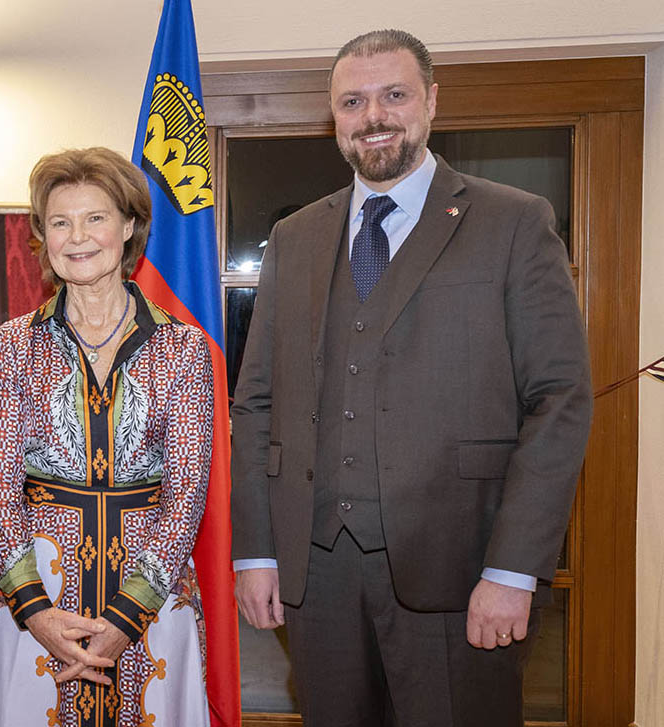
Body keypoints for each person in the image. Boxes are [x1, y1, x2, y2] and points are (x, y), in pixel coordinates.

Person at [230, 30, 592, 726]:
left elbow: (559, 401)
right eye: (354, 101)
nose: (375, 116)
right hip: (318, 578)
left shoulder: (515, 223)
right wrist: (256, 552)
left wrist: (513, 569)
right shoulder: (297, 236)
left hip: (462, 572)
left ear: (430, 100)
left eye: (394, 95)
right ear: (334, 116)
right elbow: (257, 404)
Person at [0, 147, 214, 727]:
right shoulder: (12, 344)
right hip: (33, 602)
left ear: (129, 226)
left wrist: (125, 621)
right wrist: (37, 613)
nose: (77, 237)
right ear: (43, 237)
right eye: (60, 222)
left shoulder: (182, 347)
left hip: (150, 608)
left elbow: (186, 495)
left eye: (95, 218)